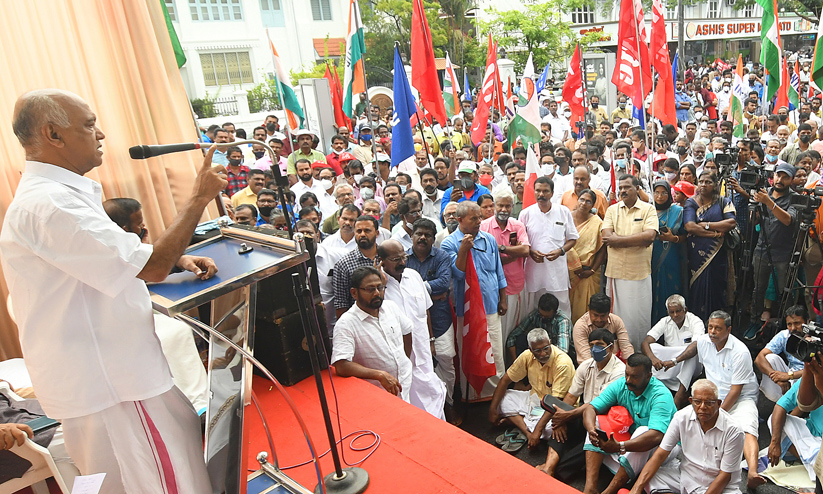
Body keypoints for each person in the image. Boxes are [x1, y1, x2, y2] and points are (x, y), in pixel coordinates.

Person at [0, 89, 226, 492]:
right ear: (53, 134)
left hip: (106, 385)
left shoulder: (53, 198)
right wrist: (198, 198)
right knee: (169, 482)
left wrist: (176, 258)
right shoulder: (51, 204)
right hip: (117, 390)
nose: (101, 134)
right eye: (89, 125)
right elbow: (150, 267)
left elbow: (102, 261)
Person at [673, 311, 764, 488]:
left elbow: (736, 391)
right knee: (684, 419)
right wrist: (674, 361)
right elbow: (695, 350)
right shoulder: (704, 342)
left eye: (718, 328)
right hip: (713, 398)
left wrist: (717, 415)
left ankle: (753, 472)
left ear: (728, 330)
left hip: (741, 398)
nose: (713, 332)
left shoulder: (740, 352)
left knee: (747, 429)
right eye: (710, 327)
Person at [581, 354, 677, 494]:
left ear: (648, 376)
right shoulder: (621, 384)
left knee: (643, 431)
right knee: (595, 422)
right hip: (629, 444)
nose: (628, 380)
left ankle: (609, 492)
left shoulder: (661, 395)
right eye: (627, 374)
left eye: (635, 377)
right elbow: (591, 408)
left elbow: (656, 436)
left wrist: (620, 446)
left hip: (665, 449)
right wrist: (591, 430)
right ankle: (590, 488)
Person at [629, 379, 745, 494]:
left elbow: (725, 476)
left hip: (720, 487)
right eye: (698, 402)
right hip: (687, 478)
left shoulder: (733, 431)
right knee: (651, 477)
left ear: (718, 404)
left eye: (709, 403)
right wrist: (636, 489)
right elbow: (660, 454)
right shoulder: (681, 417)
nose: (702, 407)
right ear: (691, 401)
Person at [536, 329, 626, 477]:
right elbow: (571, 397)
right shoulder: (586, 366)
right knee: (559, 423)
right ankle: (548, 467)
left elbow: (598, 404)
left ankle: (557, 471)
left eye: (599, 345)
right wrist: (561, 417)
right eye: (592, 345)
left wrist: (568, 415)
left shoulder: (619, 371)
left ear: (611, 347)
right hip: (582, 413)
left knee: (588, 445)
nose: (595, 349)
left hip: (604, 420)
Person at [441, 202, 508, 399]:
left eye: (480, 217)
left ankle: (495, 396)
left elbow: (498, 271)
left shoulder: (489, 239)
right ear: (460, 220)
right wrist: (463, 250)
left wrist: (503, 298)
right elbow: (458, 274)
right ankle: (470, 397)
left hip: (490, 306)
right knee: (470, 351)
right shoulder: (449, 243)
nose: (479, 221)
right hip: (467, 310)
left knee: (494, 351)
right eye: (474, 218)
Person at [379, 240, 447, 419]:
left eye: (404, 257)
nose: (402, 262)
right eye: (396, 259)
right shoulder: (378, 287)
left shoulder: (414, 276)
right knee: (410, 403)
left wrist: (431, 340)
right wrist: (381, 284)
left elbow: (426, 312)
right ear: (382, 261)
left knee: (433, 393)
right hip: (400, 357)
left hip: (423, 351)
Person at [331, 266, 413, 403]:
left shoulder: (391, 307)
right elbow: (341, 365)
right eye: (370, 289)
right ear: (354, 293)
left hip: (404, 384)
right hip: (376, 396)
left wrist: (403, 362)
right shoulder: (346, 324)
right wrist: (379, 375)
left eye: (380, 288)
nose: (377, 293)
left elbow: (407, 332)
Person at [405, 219, 458, 422]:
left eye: (427, 235)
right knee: (419, 365)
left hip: (440, 319)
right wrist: (429, 293)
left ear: (433, 238)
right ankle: (428, 410)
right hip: (413, 323)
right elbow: (399, 287)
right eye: (419, 233)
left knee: (446, 358)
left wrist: (415, 290)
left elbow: (444, 283)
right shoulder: (404, 258)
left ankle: (448, 402)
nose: (422, 238)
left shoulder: (441, 256)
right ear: (412, 236)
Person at [488, 329, 575, 453]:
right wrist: (492, 409)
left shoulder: (562, 363)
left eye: (546, 348)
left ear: (550, 342)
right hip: (534, 400)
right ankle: (528, 429)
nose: (543, 354)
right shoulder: (527, 355)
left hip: (556, 408)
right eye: (538, 351)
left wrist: (538, 430)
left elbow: (556, 402)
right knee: (503, 397)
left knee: (553, 431)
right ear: (530, 349)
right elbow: (505, 381)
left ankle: (522, 424)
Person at [602, 175, 658, 350]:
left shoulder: (648, 209)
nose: (622, 191)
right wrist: (635, 240)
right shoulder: (612, 210)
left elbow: (649, 236)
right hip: (616, 273)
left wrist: (618, 241)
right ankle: (619, 354)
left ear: (637, 189)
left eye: (627, 187)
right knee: (616, 318)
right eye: (620, 188)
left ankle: (638, 354)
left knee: (638, 319)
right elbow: (606, 236)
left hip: (639, 273)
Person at [520, 177, 579, 318]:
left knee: (562, 308)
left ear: (552, 193)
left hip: (557, 272)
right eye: (538, 191)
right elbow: (520, 242)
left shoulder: (563, 212)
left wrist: (560, 251)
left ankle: (563, 332)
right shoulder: (525, 214)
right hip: (534, 271)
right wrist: (531, 252)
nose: (541, 194)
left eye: (545, 191)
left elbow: (573, 238)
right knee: (533, 309)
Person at [683, 171, 737, 321]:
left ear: (715, 185)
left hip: (718, 254)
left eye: (708, 182)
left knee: (717, 287)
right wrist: (715, 234)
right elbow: (690, 226)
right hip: (696, 256)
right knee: (697, 288)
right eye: (701, 182)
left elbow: (731, 222)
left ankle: (716, 323)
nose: (703, 185)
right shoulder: (691, 203)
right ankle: (698, 324)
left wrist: (706, 225)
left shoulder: (724, 202)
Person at [750, 163, 799, 323]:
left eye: (785, 177)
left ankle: (789, 324)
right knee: (758, 289)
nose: (780, 180)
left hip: (783, 253)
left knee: (785, 291)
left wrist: (769, 203)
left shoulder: (794, 198)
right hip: (762, 249)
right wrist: (754, 213)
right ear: (773, 176)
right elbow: (754, 221)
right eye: (778, 175)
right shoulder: (764, 193)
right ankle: (754, 322)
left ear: (791, 180)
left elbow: (788, 220)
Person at [480, 187, 530, 341]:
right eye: (500, 205)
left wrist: (501, 248)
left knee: (513, 328)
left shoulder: (517, 225)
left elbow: (525, 250)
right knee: (496, 331)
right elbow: (486, 260)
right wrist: (513, 254)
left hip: (514, 285)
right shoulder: (484, 227)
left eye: (507, 206)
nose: (504, 209)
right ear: (494, 206)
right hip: (492, 287)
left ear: (512, 207)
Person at [641, 294, 705, 407]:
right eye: (672, 312)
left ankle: (679, 396)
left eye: (678, 311)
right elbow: (645, 342)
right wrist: (653, 359)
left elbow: (696, 346)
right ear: (668, 312)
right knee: (652, 347)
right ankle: (653, 387)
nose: (675, 315)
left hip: (688, 364)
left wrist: (674, 361)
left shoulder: (695, 321)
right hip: (669, 365)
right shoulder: (664, 321)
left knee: (693, 351)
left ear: (685, 310)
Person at [650, 181, 687, 323]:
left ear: (669, 194)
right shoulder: (648, 210)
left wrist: (673, 238)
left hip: (671, 257)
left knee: (671, 288)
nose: (660, 196)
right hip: (651, 257)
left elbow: (685, 236)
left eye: (664, 193)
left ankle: (674, 323)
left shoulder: (677, 211)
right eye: (657, 193)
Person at [755, 304, 808, 402]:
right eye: (789, 324)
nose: (793, 328)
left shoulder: (816, 338)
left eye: (797, 323)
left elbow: (818, 370)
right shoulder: (785, 335)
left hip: (810, 379)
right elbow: (759, 358)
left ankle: (789, 404)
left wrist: (789, 375)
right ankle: (783, 402)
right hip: (790, 378)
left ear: (807, 322)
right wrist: (777, 378)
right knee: (769, 358)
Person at [567, 189, 605, 323]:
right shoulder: (566, 218)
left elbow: (602, 249)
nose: (584, 203)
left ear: (593, 205)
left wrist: (592, 270)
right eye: (582, 199)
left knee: (585, 309)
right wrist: (575, 266)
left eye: (588, 201)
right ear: (577, 200)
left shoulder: (597, 223)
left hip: (587, 273)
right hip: (567, 272)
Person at [333, 215, 381, 318]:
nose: (362, 234)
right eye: (359, 231)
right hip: (360, 321)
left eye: (367, 231)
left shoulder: (387, 257)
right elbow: (341, 303)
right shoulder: (344, 265)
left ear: (377, 233)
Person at [507, 293, 574, 362]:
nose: (543, 318)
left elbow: (563, 350)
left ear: (555, 313)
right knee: (521, 339)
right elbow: (512, 337)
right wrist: (515, 361)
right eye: (541, 315)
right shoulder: (535, 315)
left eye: (547, 317)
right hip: (538, 354)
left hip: (556, 356)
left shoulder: (563, 321)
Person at [573, 293, 634, 364]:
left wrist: (631, 365)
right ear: (589, 311)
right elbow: (585, 358)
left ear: (609, 312)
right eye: (595, 315)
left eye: (603, 316)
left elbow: (626, 347)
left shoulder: (616, 321)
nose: (599, 320)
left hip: (615, 364)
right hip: (591, 366)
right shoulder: (581, 326)